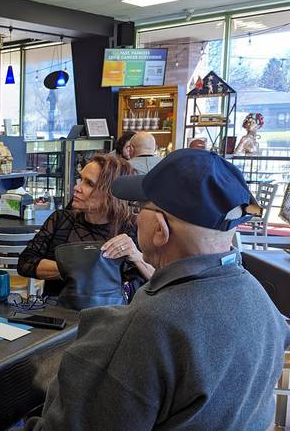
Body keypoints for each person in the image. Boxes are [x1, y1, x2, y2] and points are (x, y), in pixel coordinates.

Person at [23, 149, 289, 430]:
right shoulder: (261, 302)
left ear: (160, 230)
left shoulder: (140, 330)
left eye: (139, 208)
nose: (134, 218)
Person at [17, 154, 154, 298]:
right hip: (59, 313)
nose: (77, 187)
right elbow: (25, 263)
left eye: (89, 184)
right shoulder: (61, 220)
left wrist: (136, 256)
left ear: (111, 194)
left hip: (114, 316)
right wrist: (80, 269)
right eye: (80, 179)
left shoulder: (133, 229)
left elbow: (161, 280)